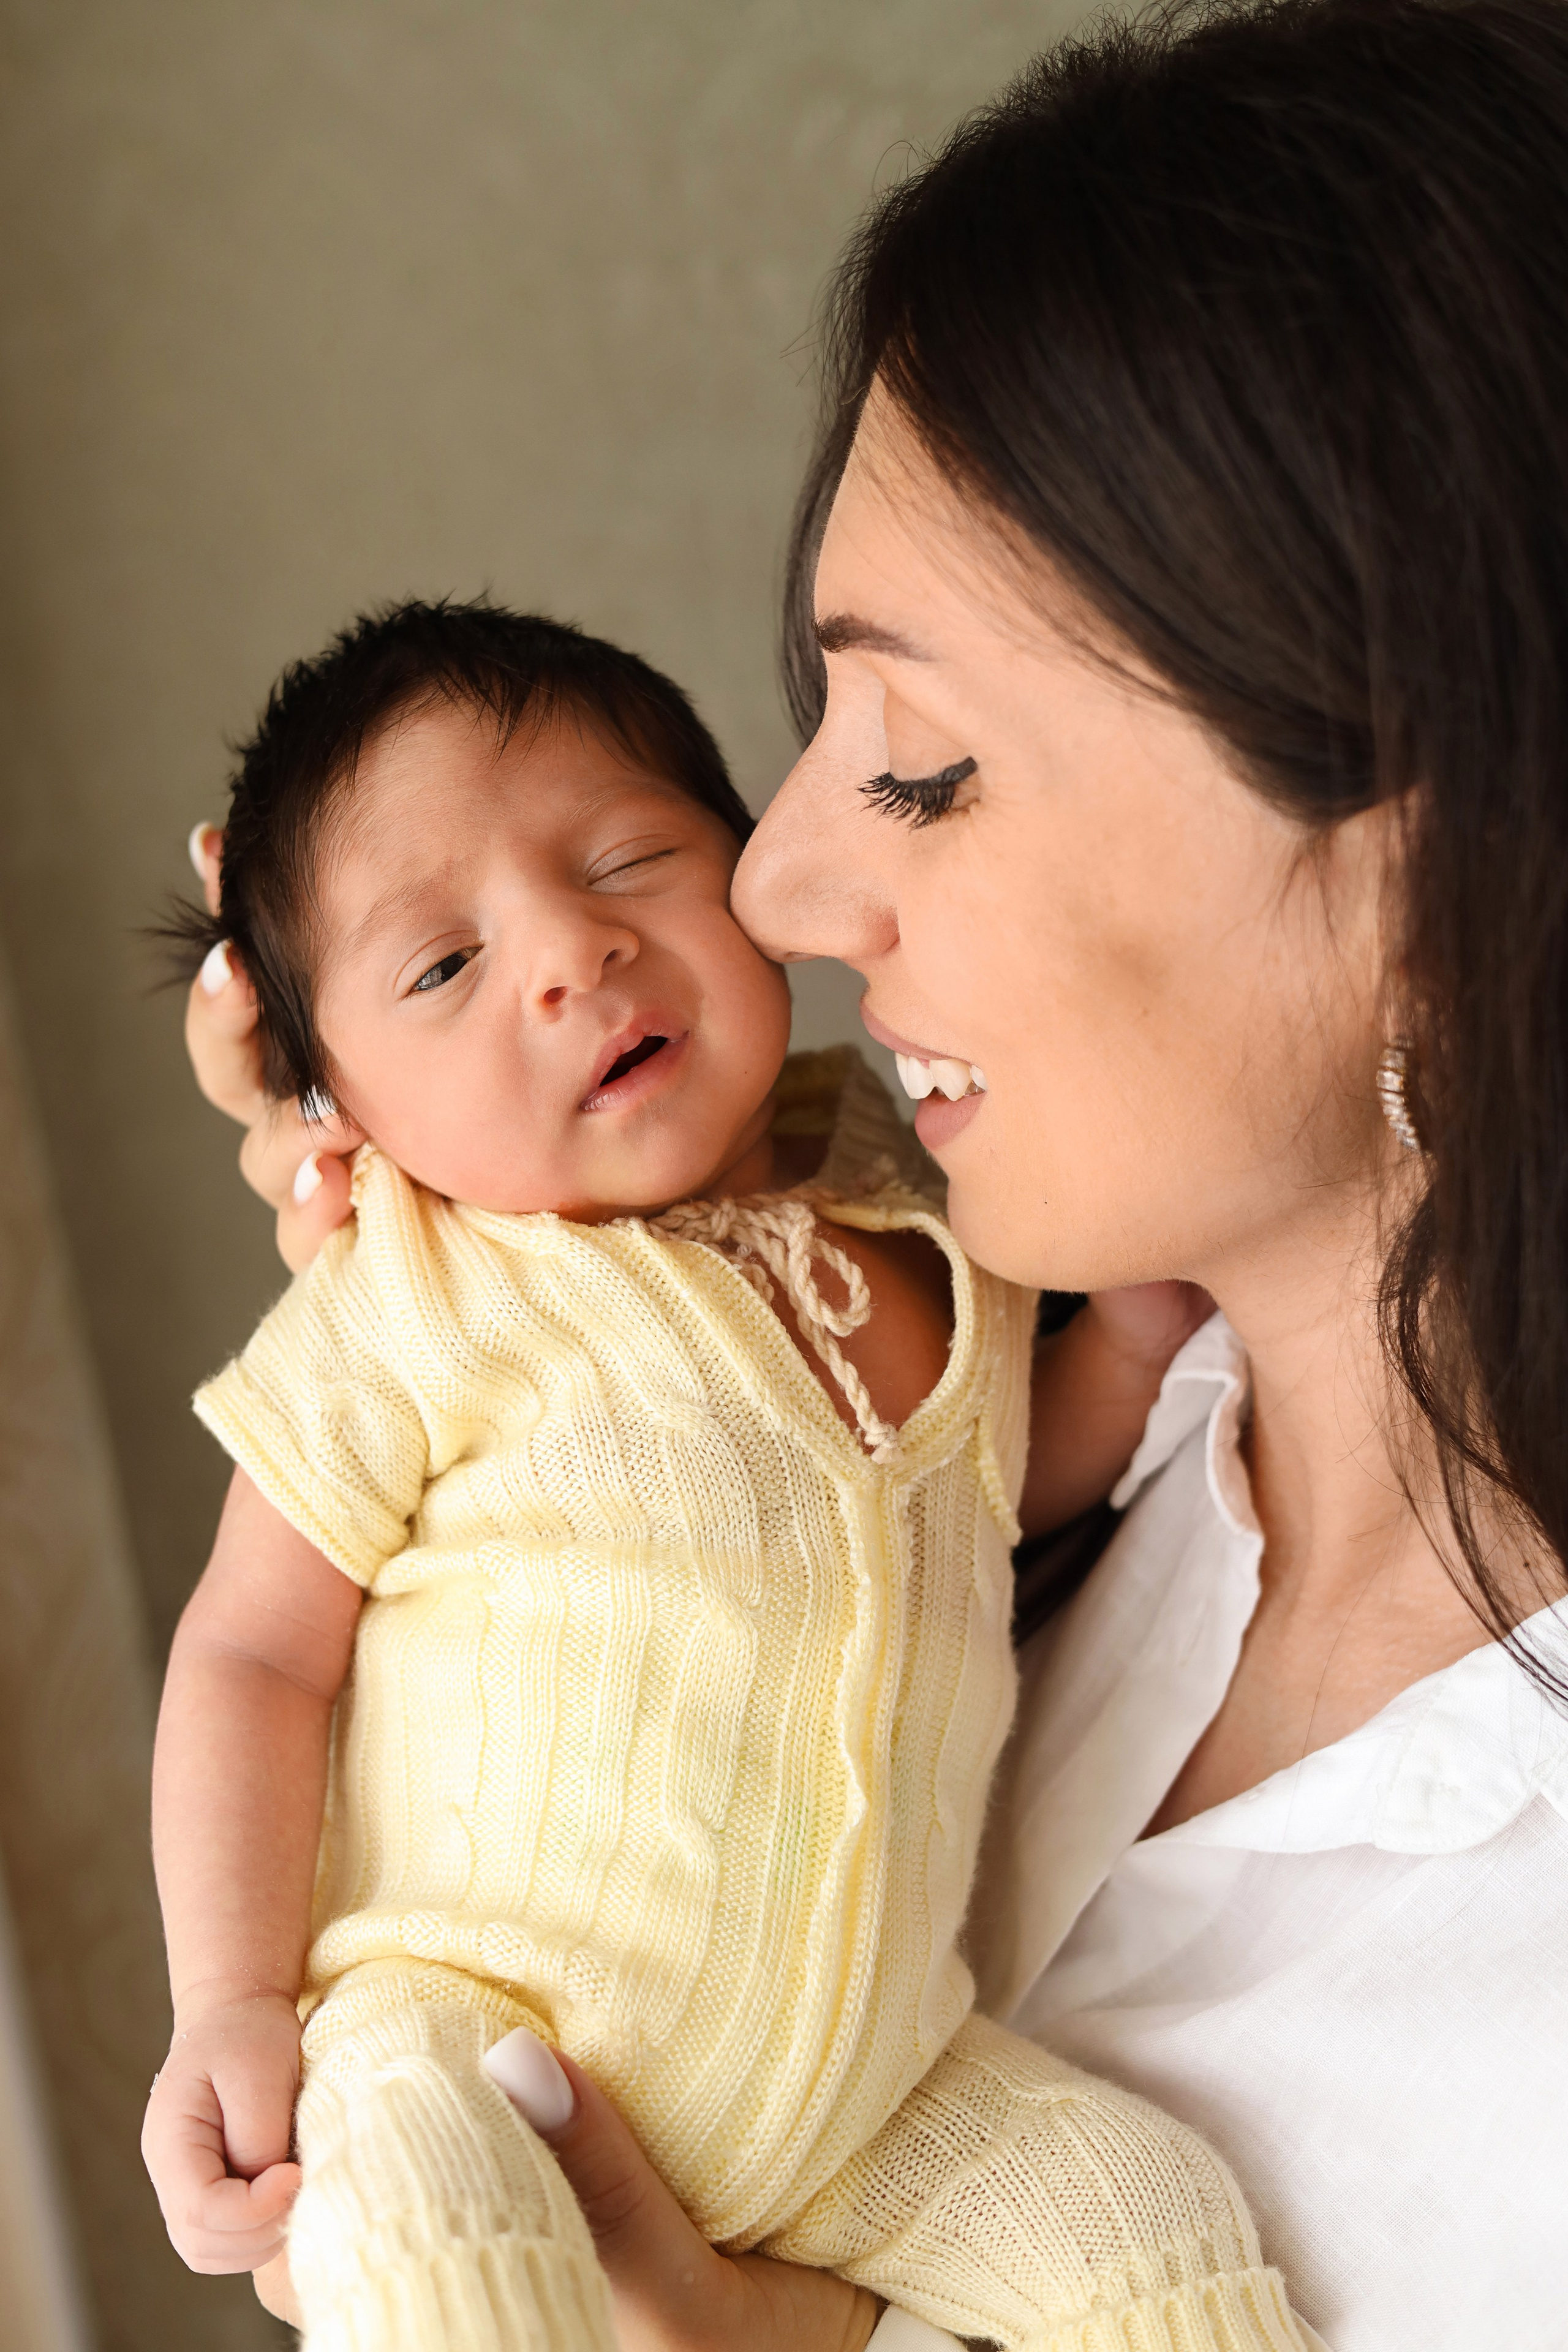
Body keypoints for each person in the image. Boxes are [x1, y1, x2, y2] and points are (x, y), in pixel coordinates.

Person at [179, 1, 1568, 2345]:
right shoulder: (1107, 1374)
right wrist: (492, 1229)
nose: (785, 886)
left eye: (918, 762)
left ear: (1430, 855)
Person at [146, 598, 1310, 2352]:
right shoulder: (424, 1297)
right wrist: (230, 1995)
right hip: (468, 2029)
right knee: (431, 2239)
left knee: (1150, 2222)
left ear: (753, 877)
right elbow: (249, 1654)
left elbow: (992, 1496)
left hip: (879, 2090)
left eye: (628, 859)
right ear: (340, 1118)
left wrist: (1132, 1359)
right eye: (442, 966)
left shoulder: (933, 1208)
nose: (570, 953)